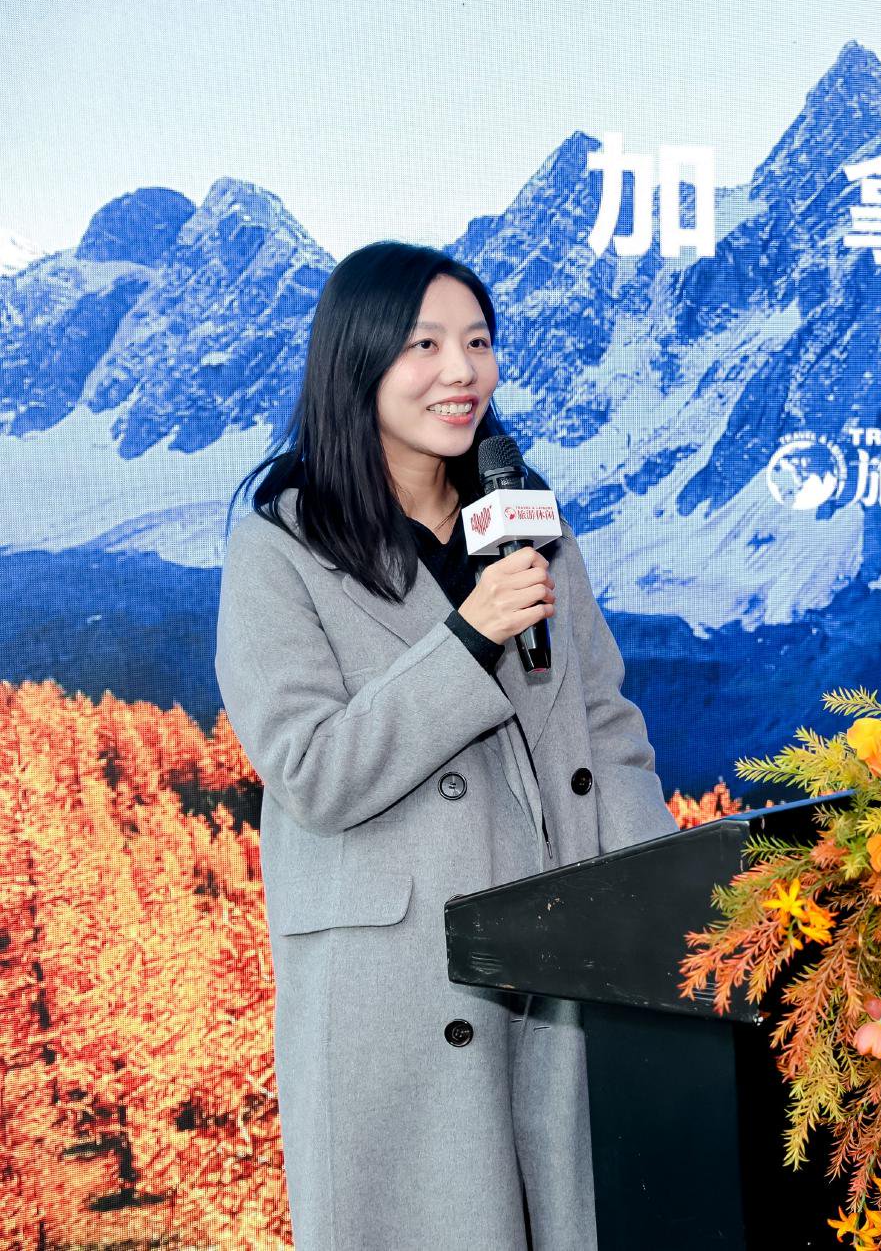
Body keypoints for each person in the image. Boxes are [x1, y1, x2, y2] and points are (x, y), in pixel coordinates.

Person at [214, 242, 680, 1251]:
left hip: (559, 969)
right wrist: (467, 639)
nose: (460, 370)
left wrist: (665, 911)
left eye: (478, 342)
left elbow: (603, 724)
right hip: (400, 988)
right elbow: (312, 771)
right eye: (424, 345)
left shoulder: (524, 520)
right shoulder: (281, 544)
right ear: (358, 361)